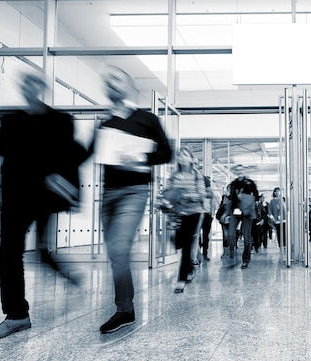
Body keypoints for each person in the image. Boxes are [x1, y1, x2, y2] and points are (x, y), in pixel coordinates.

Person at [0, 71, 87, 342]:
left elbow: (73, 155)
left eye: (33, 84)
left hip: (45, 198)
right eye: (24, 84)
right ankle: (17, 315)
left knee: (41, 250)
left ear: (41, 88)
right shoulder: (12, 121)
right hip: (15, 197)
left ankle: (66, 275)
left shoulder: (60, 121)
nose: (28, 89)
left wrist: (66, 185)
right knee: (7, 254)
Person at [91, 66, 172, 333]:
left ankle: (124, 309)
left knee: (118, 248)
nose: (111, 83)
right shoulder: (106, 123)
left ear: (127, 85)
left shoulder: (146, 119)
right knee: (116, 254)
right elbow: (89, 153)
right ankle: (125, 306)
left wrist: (138, 157)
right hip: (108, 195)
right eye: (107, 80)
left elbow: (166, 152)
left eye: (116, 78)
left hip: (134, 192)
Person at [168, 147, 208, 294]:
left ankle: (181, 279)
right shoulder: (174, 176)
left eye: (186, 155)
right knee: (177, 242)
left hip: (194, 213)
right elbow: (168, 191)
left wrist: (187, 197)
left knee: (186, 245)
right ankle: (190, 268)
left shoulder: (197, 176)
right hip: (178, 213)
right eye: (180, 155)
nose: (182, 157)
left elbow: (202, 195)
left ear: (191, 158)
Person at [227, 165, 259, 269]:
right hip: (235, 211)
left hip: (247, 212)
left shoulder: (250, 183)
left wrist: (244, 198)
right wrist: (227, 213)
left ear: (244, 171)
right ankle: (231, 253)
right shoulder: (233, 184)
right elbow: (230, 199)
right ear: (235, 171)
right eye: (238, 170)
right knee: (231, 234)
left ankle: (246, 260)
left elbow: (256, 196)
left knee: (246, 236)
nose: (240, 172)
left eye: (242, 170)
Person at [200, 176, 217, 262]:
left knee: (206, 235)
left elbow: (213, 205)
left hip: (207, 215)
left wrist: (211, 215)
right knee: (197, 236)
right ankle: (198, 254)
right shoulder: (199, 190)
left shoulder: (210, 193)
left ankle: (205, 254)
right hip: (199, 213)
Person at [268, 187, 287, 257]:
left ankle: (284, 246)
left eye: (278, 191)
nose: (277, 193)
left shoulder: (282, 200)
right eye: (276, 191)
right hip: (276, 220)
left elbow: (284, 209)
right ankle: (280, 246)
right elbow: (269, 210)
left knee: (284, 233)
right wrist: (272, 217)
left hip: (283, 220)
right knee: (279, 234)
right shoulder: (272, 201)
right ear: (274, 192)